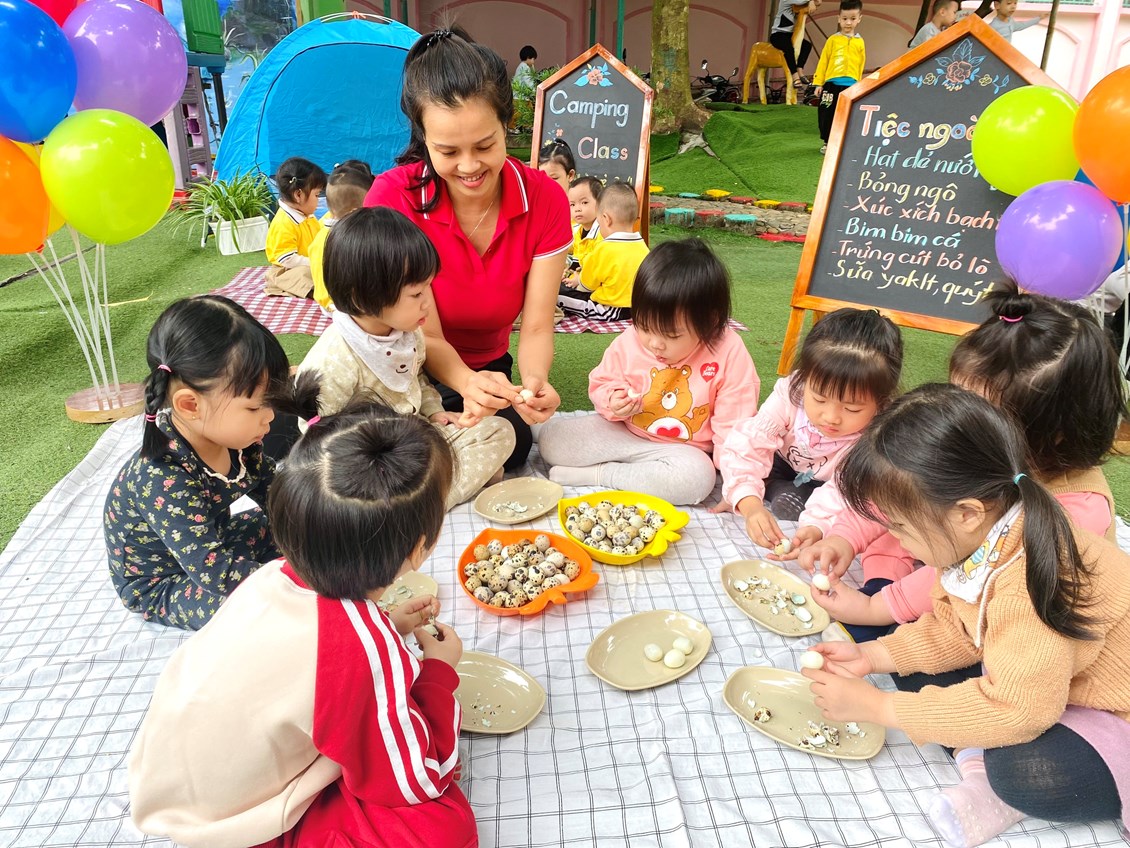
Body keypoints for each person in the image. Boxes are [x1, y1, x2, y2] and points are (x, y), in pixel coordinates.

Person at [128, 400, 477, 848]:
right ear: (420, 547)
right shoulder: (363, 648)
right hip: (231, 824)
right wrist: (439, 672)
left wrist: (388, 626)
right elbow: (415, 780)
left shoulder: (268, 577)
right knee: (444, 829)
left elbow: (303, 660)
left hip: (169, 779)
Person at [803, 383, 1130, 848]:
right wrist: (872, 656)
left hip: (1113, 710)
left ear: (967, 513)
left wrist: (879, 709)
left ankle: (992, 782)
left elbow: (1021, 710)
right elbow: (954, 628)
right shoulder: (981, 541)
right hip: (1045, 677)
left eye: (900, 525)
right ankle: (977, 754)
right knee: (911, 663)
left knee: (1022, 773)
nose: (896, 538)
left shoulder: (1030, 582)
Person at [800, 287, 1125, 641]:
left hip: (1009, 619)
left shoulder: (1075, 514)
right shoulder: (971, 441)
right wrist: (845, 538)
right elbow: (897, 491)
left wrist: (878, 608)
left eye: (979, 412)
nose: (955, 418)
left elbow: (977, 573)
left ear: (1056, 430)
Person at [365, 27, 573, 471]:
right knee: (389, 448)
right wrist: (464, 381)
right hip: (400, 364)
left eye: (485, 145)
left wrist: (533, 384)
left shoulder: (545, 199)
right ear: (422, 137)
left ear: (507, 123)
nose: (469, 166)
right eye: (447, 151)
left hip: (487, 368)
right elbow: (425, 333)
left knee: (511, 441)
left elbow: (537, 324)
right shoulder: (393, 198)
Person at [297, 207, 515, 508]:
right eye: (416, 294)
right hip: (371, 469)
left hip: (417, 441)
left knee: (499, 432)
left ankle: (422, 498)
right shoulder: (332, 363)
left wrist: (433, 411)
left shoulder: (409, 333)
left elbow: (416, 379)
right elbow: (317, 445)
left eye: (428, 288)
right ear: (363, 297)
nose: (428, 303)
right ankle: (420, 505)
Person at [104, 296, 290, 630]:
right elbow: (214, 571)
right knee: (253, 609)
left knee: (294, 526)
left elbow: (277, 496)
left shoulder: (239, 441)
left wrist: (317, 529)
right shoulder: (162, 478)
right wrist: (296, 577)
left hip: (213, 540)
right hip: (165, 582)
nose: (270, 417)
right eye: (254, 408)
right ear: (190, 405)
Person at [539, 238, 759, 505]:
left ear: (710, 322)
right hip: (625, 433)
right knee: (552, 443)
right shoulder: (631, 339)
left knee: (697, 479)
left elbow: (734, 427)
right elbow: (603, 380)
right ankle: (636, 470)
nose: (655, 343)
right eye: (644, 326)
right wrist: (613, 401)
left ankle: (602, 474)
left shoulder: (728, 351)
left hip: (683, 452)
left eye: (671, 335)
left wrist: (736, 485)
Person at [719, 308, 902, 551]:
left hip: (832, 480)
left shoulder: (878, 431)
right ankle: (778, 486)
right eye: (819, 399)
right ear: (804, 380)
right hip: (782, 461)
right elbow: (750, 444)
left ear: (881, 401)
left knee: (860, 499)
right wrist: (748, 501)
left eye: (852, 408)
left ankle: (790, 492)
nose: (831, 418)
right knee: (750, 468)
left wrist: (815, 527)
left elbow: (844, 490)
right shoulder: (791, 393)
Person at [556, 182, 646, 321]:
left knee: (553, 293)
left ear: (606, 219)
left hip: (607, 309)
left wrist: (577, 280)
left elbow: (586, 286)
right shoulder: (643, 247)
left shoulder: (604, 248)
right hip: (638, 308)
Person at [310, 166, 371, 312]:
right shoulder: (347, 239)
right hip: (342, 306)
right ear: (355, 212)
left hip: (325, 302)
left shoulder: (321, 233)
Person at [265, 156, 326, 298]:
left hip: (310, 263)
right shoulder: (284, 222)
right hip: (286, 269)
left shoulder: (307, 216)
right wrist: (316, 262)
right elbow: (287, 259)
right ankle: (318, 290)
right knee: (304, 275)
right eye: (317, 195)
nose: (318, 201)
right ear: (298, 195)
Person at [813, 0, 865, 154]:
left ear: (859, 19)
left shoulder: (860, 42)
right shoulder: (832, 40)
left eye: (853, 18)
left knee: (846, 115)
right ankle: (827, 142)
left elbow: (861, 64)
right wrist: (818, 83)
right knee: (826, 113)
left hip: (851, 86)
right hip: (831, 85)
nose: (848, 22)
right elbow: (823, 61)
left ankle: (842, 142)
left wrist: (859, 84)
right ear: (839, 18)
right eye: (844, 18)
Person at [561, 175, 603, 288]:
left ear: (600, 203)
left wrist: (580, 280)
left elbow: (599, 268)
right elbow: (574, 259)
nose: (577, 209)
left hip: (592, 287)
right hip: (576, 280)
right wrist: (566, 271)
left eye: (584, 203)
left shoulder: (602, 234)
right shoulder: (576, 230)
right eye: (572, 204)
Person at [769, 0, 822, 88]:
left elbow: (818, 2)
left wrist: (813, 2)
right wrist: (811, 1)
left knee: (806, 45)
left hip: (790, 35)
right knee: (789, 48)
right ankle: (795, 76)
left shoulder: (798, 3)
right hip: (778, 34)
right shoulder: (786, 1)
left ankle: (799, 69)